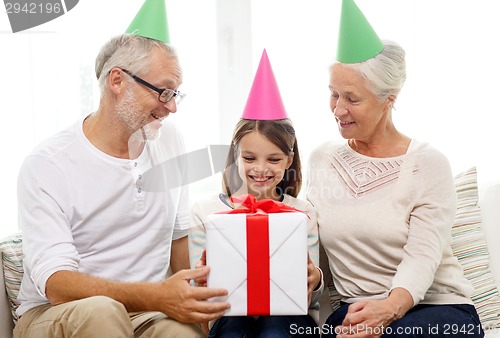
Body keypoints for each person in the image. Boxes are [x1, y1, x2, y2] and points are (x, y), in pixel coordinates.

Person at [14, 1, 229, 337]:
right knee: (102, 312)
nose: (172, 107)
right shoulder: (48, 164)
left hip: (148, 313)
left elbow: (178, 240)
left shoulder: (170, 140)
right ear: (117, 81)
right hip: (58, 313)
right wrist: (157, 295)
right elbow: (56, 285)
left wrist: (196, 311)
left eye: (176, 94)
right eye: (163, 92)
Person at [306, 1, 484, 337]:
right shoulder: (322, 160)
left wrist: (387, 310)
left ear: (389, 98)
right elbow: (309, 240)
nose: (338, 109)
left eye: (351, 98)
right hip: (355, 308)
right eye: (333, 94)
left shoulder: (427, 164)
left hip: (436, 309)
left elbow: (422, 255)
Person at [189, 50, 323, 337]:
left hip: (291, 320)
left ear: (289, 160)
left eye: (273, 160)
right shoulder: (206, 211)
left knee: (276, 329)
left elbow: (314, 291)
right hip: (229, 317)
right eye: (249, 158)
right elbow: (196, 294)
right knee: (234, 330)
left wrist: (316, 278)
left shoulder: (303, 212)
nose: (261, 169)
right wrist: (199, 281)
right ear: (236, 155)